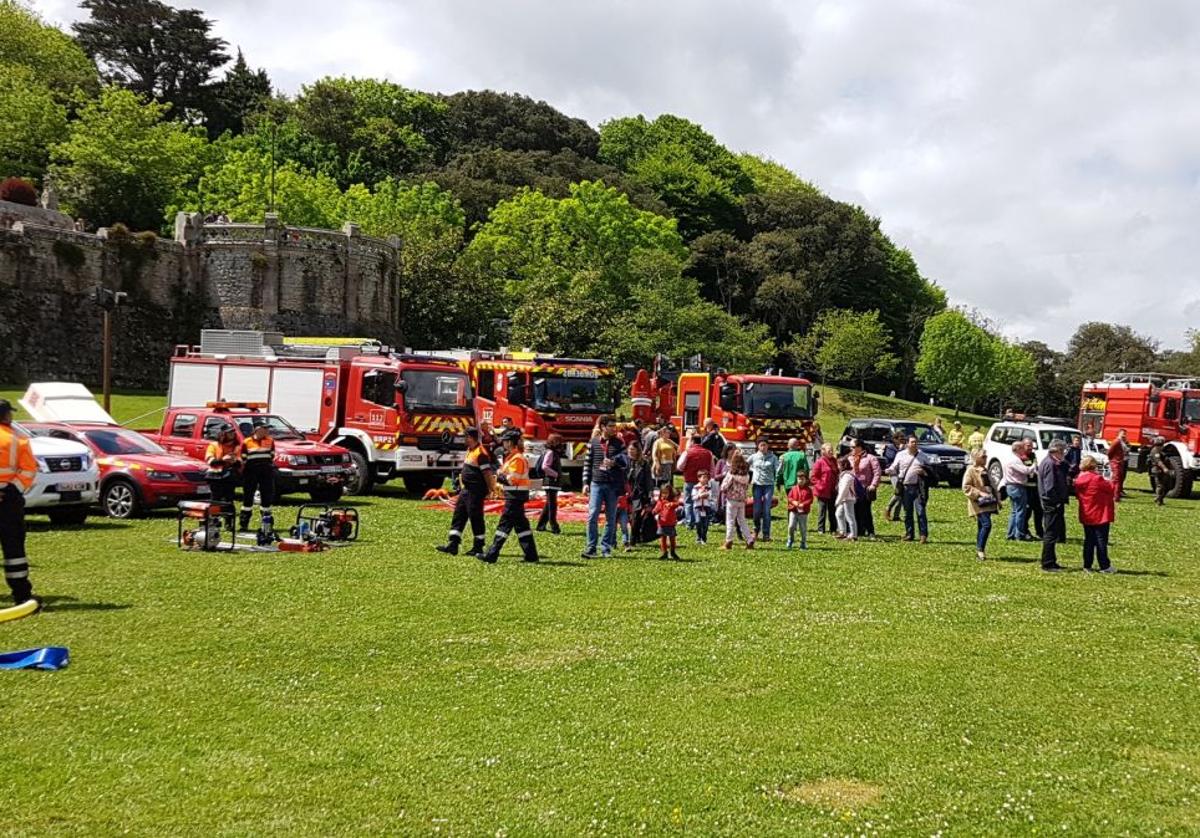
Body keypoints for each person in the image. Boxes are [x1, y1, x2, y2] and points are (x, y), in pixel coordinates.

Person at [0, 399, 40, 608]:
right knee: (13, 549)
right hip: (8, 501)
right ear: (7, 416)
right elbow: (28, 470)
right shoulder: (18, 439)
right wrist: (10, 489)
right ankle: (21, 594)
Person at [480, 429, 538, 563]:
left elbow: (510, 479)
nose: (503, 444)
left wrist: (499, 475)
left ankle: (491, 554)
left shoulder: (517, 459)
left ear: (511, 443)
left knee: (504, 525)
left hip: (515, 495)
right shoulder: (513, 457)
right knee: (522, 527)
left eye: (505, 441)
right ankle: (531, 555)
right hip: (515, 494)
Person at [437, 427, 495, 557]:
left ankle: (478, 547)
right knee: (459, 515)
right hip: (466, 490)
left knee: (476, 518)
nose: (463, 439)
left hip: (475, 491)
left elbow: (487, 473)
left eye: (465, 437)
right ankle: (453, 544)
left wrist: (491, 489)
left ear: (470, 437)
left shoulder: (481, 453)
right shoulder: (470, 450)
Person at [581, 416, 628, 559]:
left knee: (611, 517)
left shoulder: (619, 443)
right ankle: (591, 547)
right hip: (596, 482)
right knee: (592, 515)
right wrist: (585, 483)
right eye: (611, 426)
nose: (614, 428)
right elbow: (587, 464)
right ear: (602, 427)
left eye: (615, 426)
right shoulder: (593, 442)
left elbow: (626, 462)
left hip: (613, 484)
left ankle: (606, 547)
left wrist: (615, 462)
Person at [1074, 456, 1116, 572]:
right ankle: (1104, 565)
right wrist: (1108, 478)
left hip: (1087, 512)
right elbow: (1111, 488)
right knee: (1101, 540)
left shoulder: (1079, 479)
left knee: (1089, 540)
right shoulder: (1097, 479)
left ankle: (1087, 565)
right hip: (1100, 513)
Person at [885, 436, 930, 543]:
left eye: (916, 442)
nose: (914, 444)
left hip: (919, 488)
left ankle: (923, 535)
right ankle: (909, 534)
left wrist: (924, 473)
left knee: (921, 512)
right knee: (907, 512)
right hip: (905, 488)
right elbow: (894, 467)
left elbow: (931, 471)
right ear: (907, 443)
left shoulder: (923, 456)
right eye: (912, 442)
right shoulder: (900, 455)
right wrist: (888, 470)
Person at [239, 424, 277, 539]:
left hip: (266, 472)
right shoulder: (247, 442)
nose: (267, 431)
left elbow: (272, 455)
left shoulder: (270, 441)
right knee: (248, 498)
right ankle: (244, 524)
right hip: (251, 472)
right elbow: (243, 457)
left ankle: (267, 523)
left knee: (267, 497)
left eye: (267, 429)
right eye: (264, 429)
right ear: (257, 430)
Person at [1037, 440, 1070, 572]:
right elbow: (1049, 487)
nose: (1064, 454)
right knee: (1050, 534)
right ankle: (1048, 563)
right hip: (1051, 503)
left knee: (1053, 533)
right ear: (1056, 451)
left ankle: (1052, 561)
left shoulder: (1052, 462)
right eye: (1062, 451)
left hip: (1051, 502)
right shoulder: (1050, 464)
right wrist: (1056, 501)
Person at [962, 448, 1000, 560]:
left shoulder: (985, 469)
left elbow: (992, 485)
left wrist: (997, 499)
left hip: (988, 502)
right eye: (983, 456)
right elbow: (966, 487)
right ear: (976, 457)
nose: (986, 458)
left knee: (981, 526)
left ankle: (979, 549)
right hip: (978, 503)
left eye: (986, 456)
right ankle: (980, 550)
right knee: (986, 525)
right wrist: (979, 493)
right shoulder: (971, 470)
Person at [204, 427, 241, 529]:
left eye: (233, 432)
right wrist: (223, 460)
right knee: (215, 500)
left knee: (229, 500)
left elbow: (239, 463)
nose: (232, 434)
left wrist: (234, 461)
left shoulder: (237, 447)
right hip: (215, 477)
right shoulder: (213, 445)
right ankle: (213, 521)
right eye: (229, 433)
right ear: (223, 434)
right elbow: (211, 461)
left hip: (229, 477)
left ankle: (229, 523)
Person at [677, 434, 714, 530]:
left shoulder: (687, 452)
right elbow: (712, 468)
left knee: (689, 501)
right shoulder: (708, 453)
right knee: (702, 502)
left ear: (692, 441)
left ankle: (690, 522)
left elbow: (679, 466)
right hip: (704, 482)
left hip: (690, 480)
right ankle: (701, 521)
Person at [720, 451, 754, 550]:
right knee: (742, 521)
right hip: (742, 500)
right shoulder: (746, 476)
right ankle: (749, 540)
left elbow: (724, 487)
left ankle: (729, 541)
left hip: (732, 500)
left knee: (730, 521)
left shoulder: (731, 474)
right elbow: (746, 486)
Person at [1002, 440, 1036, 541]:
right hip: (1017, 487)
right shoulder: (1015, 460)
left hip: (1011, 486)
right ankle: (1019, 534)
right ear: (1017, 449)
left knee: (1014, 511)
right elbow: (1026, 470)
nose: (1024, 450)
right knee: (1021, 511)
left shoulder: (1010, 458)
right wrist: (1034, 464)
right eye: (1022, 448)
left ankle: (1011, 533)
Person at [748, 440, 779, 541]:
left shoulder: (773, 458)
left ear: (768, 446)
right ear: (758, 446)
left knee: (766, 509)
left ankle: (766, 534)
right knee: (756, 510)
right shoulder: (753, 457)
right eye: (761, 445)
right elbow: (744, 466)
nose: (763, 447)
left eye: (764, 445)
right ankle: (756, 530)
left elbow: (778, 469)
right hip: (757, 485)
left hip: (768, 485)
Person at [626, 441, 655, 547]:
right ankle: (637, 536)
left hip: (639, 494)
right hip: (627, 493)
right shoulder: (626, 461)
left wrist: (650, 494)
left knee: (636, 517)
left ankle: (632, 540)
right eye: (629, 449)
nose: (630, 452)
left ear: (638, 451)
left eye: (633, 450)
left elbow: (648, 480)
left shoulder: (644, 463)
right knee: (629, 517)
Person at [850, 438, 881, 538]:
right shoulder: (850, 458)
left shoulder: (870, 458)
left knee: (866, 510)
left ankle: (870, 530)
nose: (851, 449)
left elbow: (877, 472)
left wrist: (873, 485)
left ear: (860, 447)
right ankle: (859, 530)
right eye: (850, 447)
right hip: (853, 488)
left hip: (865, 488)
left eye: (853, 447)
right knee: (855, 509)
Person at [535, 433, 565, 534]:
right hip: (551, 482)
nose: (561, 444)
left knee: (549, 504)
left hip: (551, 482)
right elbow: (545, 466)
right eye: (559, 442)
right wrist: (556, 474)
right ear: (554, 442)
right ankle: (554, 526)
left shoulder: (551, 452)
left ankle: (540, 525)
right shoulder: (551, 453)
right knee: (552, 505)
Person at [809, 444, 839, 535]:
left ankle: (833, 529)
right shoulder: (819, 462)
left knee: (832, 510)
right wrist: (820, 485)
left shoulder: (834, 461)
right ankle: (821, 529)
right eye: (829, 450)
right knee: (822, 510)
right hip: (822, 490)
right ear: (823, 451)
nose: (831, 452)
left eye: (831, 450)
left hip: (832, 489)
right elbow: (813, 477)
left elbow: (837, 473)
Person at [654, 483, 683, 560]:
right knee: (662, 538)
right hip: (662, 523)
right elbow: (656, 509)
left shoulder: (672, 501)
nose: (664, 495)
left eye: (666, 493)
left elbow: (677, 504)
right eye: (663, 493)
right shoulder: (660, 501)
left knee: (672, 538)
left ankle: (673, 552)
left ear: (670, 493)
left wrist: (671, 504)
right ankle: (664, 552)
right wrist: (654, 511)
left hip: (670, 523)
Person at [786, 470, 814, 549]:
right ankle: (790, 540)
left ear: (806, 480)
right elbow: (789, 497)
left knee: (803, 528)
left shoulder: (808, 490)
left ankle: (803, 542)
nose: (800, 481)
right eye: (799, 479)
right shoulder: (794, 488)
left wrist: (804, 504)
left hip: (803, 512)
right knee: (791, 526)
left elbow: (810, 499)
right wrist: (794, 502)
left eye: (802, 479)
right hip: (794, 510)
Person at [882, 431, 905, 522]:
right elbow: (892, 459)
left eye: (904, 439)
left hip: (902, 472)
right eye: (901, 439)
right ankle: (888, 508)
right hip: (893, 472)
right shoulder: (890, 448)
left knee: (902, 494)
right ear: (895, 439)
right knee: (898, 492)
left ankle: (896, 515)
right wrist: (900, 450)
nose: (903, 440)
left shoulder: (904, 448)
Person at [834, 457, 858, 541]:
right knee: (839, 514)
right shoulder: (843, 475)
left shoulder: (847, 476)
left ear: (843, 465)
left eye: (839, 464)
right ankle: (842, 532)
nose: (837, 466)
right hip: (844, 499)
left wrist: (837, 501)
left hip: (848, 499)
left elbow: (844, 490)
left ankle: (853, 535)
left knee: (850, 517)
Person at [693, 470, 715, 546]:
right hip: (698, 507)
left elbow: (711, 497)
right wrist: (699, 496)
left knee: (705, 523)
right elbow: (693, 497)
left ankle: (704, 538)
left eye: (707, 478)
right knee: (698, 522)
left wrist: (707, 495)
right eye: (703, 477)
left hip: (706, 507)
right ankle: (699, 537)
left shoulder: (708, 488)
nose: (705, 479)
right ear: (699, 478)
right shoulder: (695, 487)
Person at [1148, 437, 1171, 506]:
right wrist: (1164, 468)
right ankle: (1159, 501)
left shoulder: (1161, 451)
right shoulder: (1155, 451)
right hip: (1157, 470)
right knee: (1160, 485)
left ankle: (1159, 498)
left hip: (1163, 470)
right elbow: (1158, 461)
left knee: (1168, 486)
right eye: (1161, 444)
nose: (1162, 446)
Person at [1108, 429, 1128, 500]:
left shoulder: (1123, 442)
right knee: (1116, 479)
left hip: (1120, 463)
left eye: (1125, 434)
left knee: (1119, 479)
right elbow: (1110, 452)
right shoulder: (1116, 441)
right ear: (1118, 434)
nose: (1124, 435)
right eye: (1122, 433)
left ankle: (1116, 495)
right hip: (1116, 462)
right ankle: (1114, 496)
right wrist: (1113, 460)